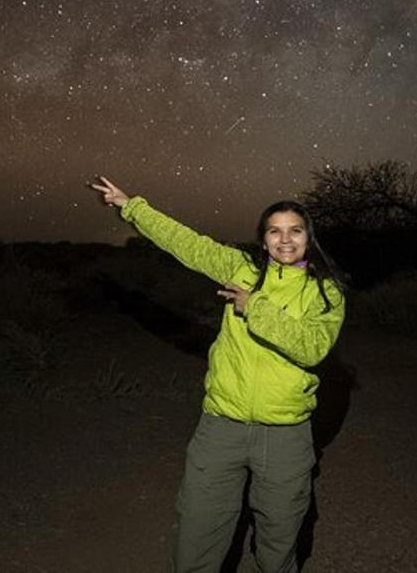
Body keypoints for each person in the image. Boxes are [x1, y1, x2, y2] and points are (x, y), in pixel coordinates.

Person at [90, 176, 346, 573]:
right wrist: (131, 206)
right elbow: (187, 243)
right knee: (197, 537)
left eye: (295, 231)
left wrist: (254, 306)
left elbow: (311, 347)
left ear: (308, 238)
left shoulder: (326, 293)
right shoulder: (239, 268)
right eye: (274, 231)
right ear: (262, 240)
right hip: (221, 428)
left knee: (279, 545)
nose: (284, 240)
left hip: (285, 435)